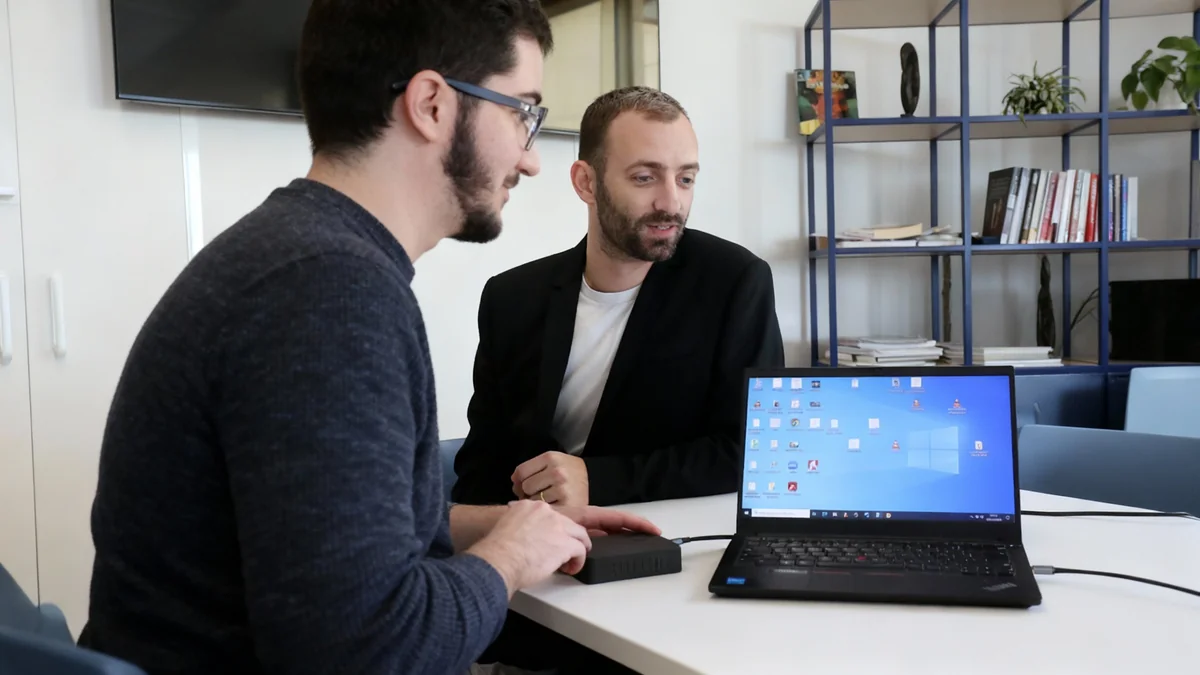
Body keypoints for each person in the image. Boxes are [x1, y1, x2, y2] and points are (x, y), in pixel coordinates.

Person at [76, 2, 660, 674]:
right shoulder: (326, 293)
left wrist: (518, 524)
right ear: (432, 104)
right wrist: (510, 556)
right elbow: (369, 651)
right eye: (522, 112)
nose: (529, 159)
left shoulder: (301, 259)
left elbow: (338, 539)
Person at [451, 87, 785, 510]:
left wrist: (598, 480)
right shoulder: (511, 298)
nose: (672, 202)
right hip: (532, 544)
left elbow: (753, 450)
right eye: (645, 177)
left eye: (685, 178)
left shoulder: (735, 282)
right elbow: (483, 463)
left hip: (669, 540)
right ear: (585, 182)